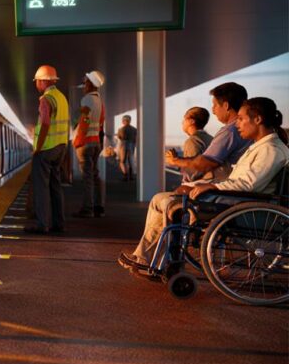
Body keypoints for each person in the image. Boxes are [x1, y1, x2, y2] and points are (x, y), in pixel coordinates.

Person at [119, 97, 289, 275]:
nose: (237, 124)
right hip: (236, 199)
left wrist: (211, 188)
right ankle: (149, 259)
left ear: (258, 119)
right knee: (161, 199)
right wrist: (201, 185)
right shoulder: (263, 147)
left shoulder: (271, 149)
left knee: (169, 202)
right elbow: (243, 181)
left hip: (242, 206)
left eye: (240, 118)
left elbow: (247, 184)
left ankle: (159, 261)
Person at [166, 82, 250, 183]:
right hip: (233, 186)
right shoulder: (247, 130)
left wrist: (175, 161)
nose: (213, 111)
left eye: (215, 105)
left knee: (162, 198)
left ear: (226, 106)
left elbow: (202, 165)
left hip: (224, 189)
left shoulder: (229, 132)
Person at [24, 65, 69, 235]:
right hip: (60, 147)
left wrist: (38, 147)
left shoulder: (46, 99)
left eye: (36, 81)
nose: (36, 84)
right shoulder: (61, 98)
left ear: (43, 81)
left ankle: (43, 224)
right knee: (55, 186)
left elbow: (45, 123)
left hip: (47, 149)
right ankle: (59, 223)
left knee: (41, 187)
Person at [73, 70, 106, 218]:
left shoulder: (87, 99)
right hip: (95, 142)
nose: (84, 85)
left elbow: (85, 120)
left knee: (87, 177)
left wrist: (78, 140)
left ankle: (87, 208)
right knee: (94, 175)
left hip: (86, 143)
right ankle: (99, 206)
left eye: (85, 82)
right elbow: (100, 123)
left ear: (91, 84)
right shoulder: (100, 100)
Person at [172, 107, 213, 182]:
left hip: (198, 187)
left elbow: (193, 173)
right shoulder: (211, 139)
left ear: (192, 121)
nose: (182, 122)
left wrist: (177, 161)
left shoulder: (193, 141)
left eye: (184, 119)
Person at [116, 115, 137, 181]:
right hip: (132, 145)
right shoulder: (134, 129)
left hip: (123, 145)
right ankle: (131, 177)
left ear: (124, 121)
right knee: (131, 160)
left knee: (122, 161)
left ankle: (125, 176)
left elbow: (119, 137)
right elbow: (135, 138)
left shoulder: (121, 129)